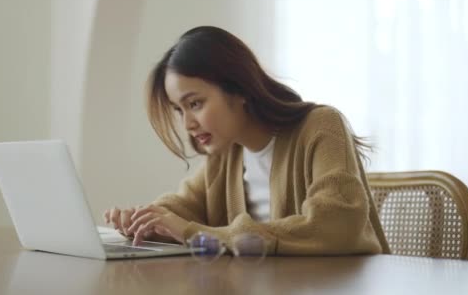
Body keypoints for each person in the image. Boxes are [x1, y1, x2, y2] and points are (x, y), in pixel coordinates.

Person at [103, 26, 390, 255]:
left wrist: (192, 233)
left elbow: (336, 225)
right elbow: (182, 207)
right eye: (179, 110)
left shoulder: (321, 126)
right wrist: (145, 220)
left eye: (195, 104)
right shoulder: (226, 154)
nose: (187, 124)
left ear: (239, 89)